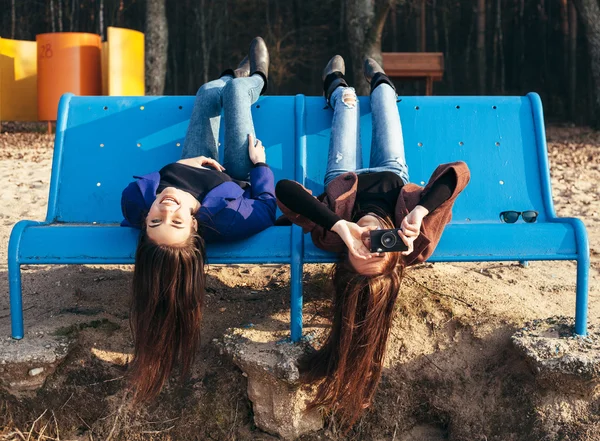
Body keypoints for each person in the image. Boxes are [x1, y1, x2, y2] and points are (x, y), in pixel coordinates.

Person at [276, 55, 470, 427]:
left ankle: (334, 82)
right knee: (382, 99)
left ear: (346, 257)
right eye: (379, 248)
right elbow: (457, 173)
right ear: (394, 252)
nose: (370, 240)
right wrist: (420, 212)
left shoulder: (335, 240)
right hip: (393, 169)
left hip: (343, 170)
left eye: (360, 251)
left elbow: (285, 192)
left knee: (348, 103)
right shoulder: (415, 241)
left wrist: (338, 226)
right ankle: (380, 77)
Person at [120, 37, 276, 402]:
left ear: (144, 225)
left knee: (207, 92)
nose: (166, 210)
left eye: (156, 222)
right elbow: (267, 206)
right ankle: (260, 79)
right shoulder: (227, 219)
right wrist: (259, 165)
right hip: (231, 173)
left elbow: (154, 184)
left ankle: (227, 77)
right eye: (175, 222)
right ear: (194, 227)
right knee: (237, 92)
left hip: (191, 163)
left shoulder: (136, 203)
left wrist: (183, 165)